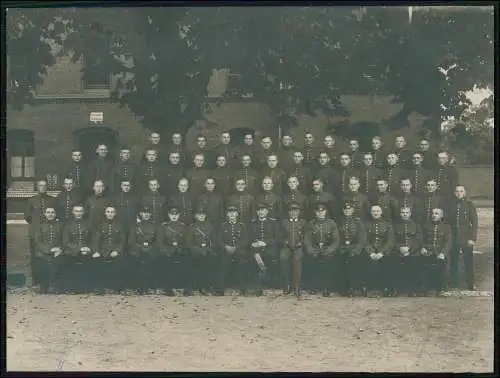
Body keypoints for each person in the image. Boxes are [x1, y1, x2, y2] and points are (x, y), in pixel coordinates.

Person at [25, 179, 56, 286]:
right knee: (35, 256)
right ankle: (36, 280)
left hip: (49, 232)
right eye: (40, 185)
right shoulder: (31, 200)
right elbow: (27, 217)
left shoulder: (52, 200)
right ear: (37, 187)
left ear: (47, 187)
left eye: (45, 185)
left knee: (48, 256)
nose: (43, 187)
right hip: (35, 234)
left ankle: (48, 280)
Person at [446, 185, 478, 291]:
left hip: (466, 237)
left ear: (465, 193)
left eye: (461, 191)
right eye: (457, 191)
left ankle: (470, 283)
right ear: (454, 193)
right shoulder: (450, 205)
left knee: (468, 260)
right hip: (454, 237)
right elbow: (448, 222)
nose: (459, 193)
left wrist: (472, 238)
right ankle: (454, 283)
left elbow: (474, 223)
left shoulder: (469, 205)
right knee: (454, 260)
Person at [304, 204, 340, 296]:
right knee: (311, 260)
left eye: (322, 211)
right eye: (318, 212)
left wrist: (329, 250)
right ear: (315, 213)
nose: (320, 213)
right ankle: (313, 287)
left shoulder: (331, 223)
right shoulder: (311, 224)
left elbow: (336, 240)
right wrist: (311, 250)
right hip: (315, 248)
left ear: (325, 212)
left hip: (327, 248)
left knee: (327, 262)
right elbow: (307, 240)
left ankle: (326, 287)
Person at [92, 206, 126, 294]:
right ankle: (100, 288)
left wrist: (117, 250)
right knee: (98, 263)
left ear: (115, 214)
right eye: (108, 212)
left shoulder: (120, 225)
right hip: (102, 250)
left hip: (115, 250)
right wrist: (96, 251)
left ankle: (117, 288)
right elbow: (96, 240)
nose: (110, 214)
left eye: (112, 212)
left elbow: (122, 241)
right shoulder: (100, 225)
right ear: (105, 213)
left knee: (119, 263)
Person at [249, 203, 281, 295]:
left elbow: (279, 239)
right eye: (259, 210)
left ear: (267, 211)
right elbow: (248, 237)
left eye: (263, 210)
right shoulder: (253, 223)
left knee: (271, 257)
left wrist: (266, 243)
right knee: (254, 258)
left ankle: (272, 285)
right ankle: (258, 287)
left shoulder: (273, 223)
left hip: (270, 248)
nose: (261, 212)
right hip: (256, 249)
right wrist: (253, 243)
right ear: (256, 212)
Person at [216, 206, 249, 296]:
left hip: (239, 251)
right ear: (227, 214)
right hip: (226, 250)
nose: (232, 214)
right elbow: (219, 239)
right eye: (230, 212)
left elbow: (245, 239)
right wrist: (226, 246)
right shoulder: (223, 226)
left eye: (234, 212)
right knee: (222, 266)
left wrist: (236, 247)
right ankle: (221, 289)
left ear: (237, 214)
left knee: (242, 265)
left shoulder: (242, 226)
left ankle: (243, 289)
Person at [363, 205, 395, 296]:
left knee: (389, 261)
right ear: (371, 213)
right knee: (364, 261)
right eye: (373, 211)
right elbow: (364, 240)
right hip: (370, 250)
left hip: (383, 250)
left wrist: (382, 252)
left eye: (377, 211)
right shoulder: (366, 224)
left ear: (381, 212)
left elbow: (391, 240)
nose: (375, 213)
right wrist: (370, 252)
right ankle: (368, 288)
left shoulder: (387, 224)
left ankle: (386, 288)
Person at [62, 205, 94, 293]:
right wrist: (79, 249)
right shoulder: (68, 225)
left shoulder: (89, 224)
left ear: (83, 213)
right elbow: (66, 242)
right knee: (68, 260)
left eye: (80, 211)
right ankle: (72, 287)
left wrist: (89, 248)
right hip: (72, 250)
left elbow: (94, 239)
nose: (78, 213)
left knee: (90, 262)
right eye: (76, 211)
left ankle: (87, 287)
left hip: (87, 250)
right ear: (73, 212)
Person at [420, 208, 452, 295]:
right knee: (424, 267)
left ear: (441, 216)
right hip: (428, 250)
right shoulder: (425, 225)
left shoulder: (446, 227)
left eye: (437, 213)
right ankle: (424, 288)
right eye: (433, 213)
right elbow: (421, 239)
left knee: (442, 265)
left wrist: (443, 253)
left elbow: (448, 242)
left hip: (439, 251)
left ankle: (441, 288)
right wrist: (422, 247)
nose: (434, 215)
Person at [156, 206, 187, 295]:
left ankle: (181, 287)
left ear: (179, 215)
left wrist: (181, 249)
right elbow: (160, 241)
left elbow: (186, 241)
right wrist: (165, 251)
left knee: (184, 264)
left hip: (179, 251)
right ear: (169, 215)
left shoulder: (183, 226)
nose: (174, 216)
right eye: (172, 214)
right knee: (166, 265)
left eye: (176, 214)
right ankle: (167, 288)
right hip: (168, 251)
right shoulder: (164, 226)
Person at [337, 202, 366, 296]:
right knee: (341, 264)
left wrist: (357, 249)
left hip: (354, 247)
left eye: (349, 209)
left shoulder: (358, 221)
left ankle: (355, 287)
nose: (347, 211)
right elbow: (337, 237)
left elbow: (362, 238)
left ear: (353, 210)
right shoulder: (340, 221)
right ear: (343, 211)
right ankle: (344, 288)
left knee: (355, 263)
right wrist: (341, 247)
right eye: (345, 209)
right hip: (343, 247)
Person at [186, 207, 217, 295]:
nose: (201, 216)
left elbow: (213, 241)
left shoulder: (209, 226)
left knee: (212, 260)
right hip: (196, 252)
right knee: (197, 262)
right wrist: (199, 250)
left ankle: (208, 286)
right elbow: (189, 243)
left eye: (203, 215)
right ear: (195, 216)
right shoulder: (192, 227)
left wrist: (209, 249)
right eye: (199, 215)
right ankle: (197, 287)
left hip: (207, 251)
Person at [392, 206, 422, 296]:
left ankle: (413, 290)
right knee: (394, 264)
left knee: (414, 264)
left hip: (412, 251)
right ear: (400, 214)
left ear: (410, 214)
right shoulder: (395, 225)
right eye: (403, 213)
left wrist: (409, 249)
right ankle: (396, 289)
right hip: (398, 251)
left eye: (407, 212)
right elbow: (392, 239)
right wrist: (399, 248)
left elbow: (418, 239)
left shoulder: (416, 225)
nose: (405, 214)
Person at [127, 206, 158, 294]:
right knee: (138, 265)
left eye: (148, 213)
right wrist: (141, 248)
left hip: (151, 251)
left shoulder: (154, 226)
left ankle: (149, 287)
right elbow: (131, 241)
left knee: (150, 265)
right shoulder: (135, 226)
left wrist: (149, 249)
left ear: (150, 214)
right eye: (144, 213)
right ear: (141, 214)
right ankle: (139, 287)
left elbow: (157, 241)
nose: (146, 215)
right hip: (138, 251)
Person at [33, 207, 64, 294]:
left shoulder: (61, 225)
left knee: (58, 263)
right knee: (42, 263)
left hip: (57, 251)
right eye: (48, 212)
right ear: (45, 214)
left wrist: (59, 249)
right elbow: (38, 241)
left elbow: (64, 240)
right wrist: (49, 250)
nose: (50, 214)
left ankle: (56, 287)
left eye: (52, 212)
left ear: (55, 214)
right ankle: (43, 286)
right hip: (43, 251)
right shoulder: (40, 226)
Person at [280, 202, 308, 296]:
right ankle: (287, 285)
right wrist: (285, 242)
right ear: (288, 212)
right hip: (287, 247)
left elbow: (306, 235)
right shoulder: (284, 222)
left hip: (298, 247)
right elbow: (281, 235)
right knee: (283, 258)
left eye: (296, 211)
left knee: (297, 260)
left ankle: (297, 286)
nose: (293, 213)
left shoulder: (303, 222)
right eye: (291, 211)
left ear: (299, 212)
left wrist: (301, 243)